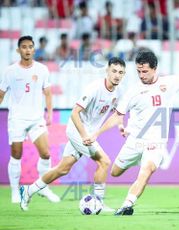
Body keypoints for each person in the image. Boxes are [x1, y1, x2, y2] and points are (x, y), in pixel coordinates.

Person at [85, 50, 179, 216]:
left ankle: (127, 204)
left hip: (156, 141)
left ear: (155, 69)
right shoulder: (133, 91)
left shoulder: (169, 83)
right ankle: (138, 159)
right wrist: (100, 132)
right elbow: (117, 116)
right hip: (135, 141)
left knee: (146, 170)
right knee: (115, 172)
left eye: (145, 71)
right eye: (138, 71)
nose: (141, 75)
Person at [19, 57, 127, 212]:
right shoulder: (95, 88)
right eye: (114, 71)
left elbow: (117, 114)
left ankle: (28, 191)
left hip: (88, 133)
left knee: (63, 169)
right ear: (107, 71)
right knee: (104, 162)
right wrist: (84, 136)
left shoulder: (119, 91)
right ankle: (99, 204)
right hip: (77, 130)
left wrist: (121, 126)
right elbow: (74, 113)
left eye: (121, 72)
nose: (117, 75)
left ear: (124, 75)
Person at [0, 35, 60, 204]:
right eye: (24, 47)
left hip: (36, 119)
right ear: (19, 50)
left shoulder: (42, 69)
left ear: (34, 49)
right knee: (16, 155)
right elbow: (1, 94)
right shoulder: (10, 71)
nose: (27, 50)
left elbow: (48, 92)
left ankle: (43, 187)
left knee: (46, 154)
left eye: (30, 47)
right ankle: (14, 191)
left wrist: (49, 113)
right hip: (17, 119)